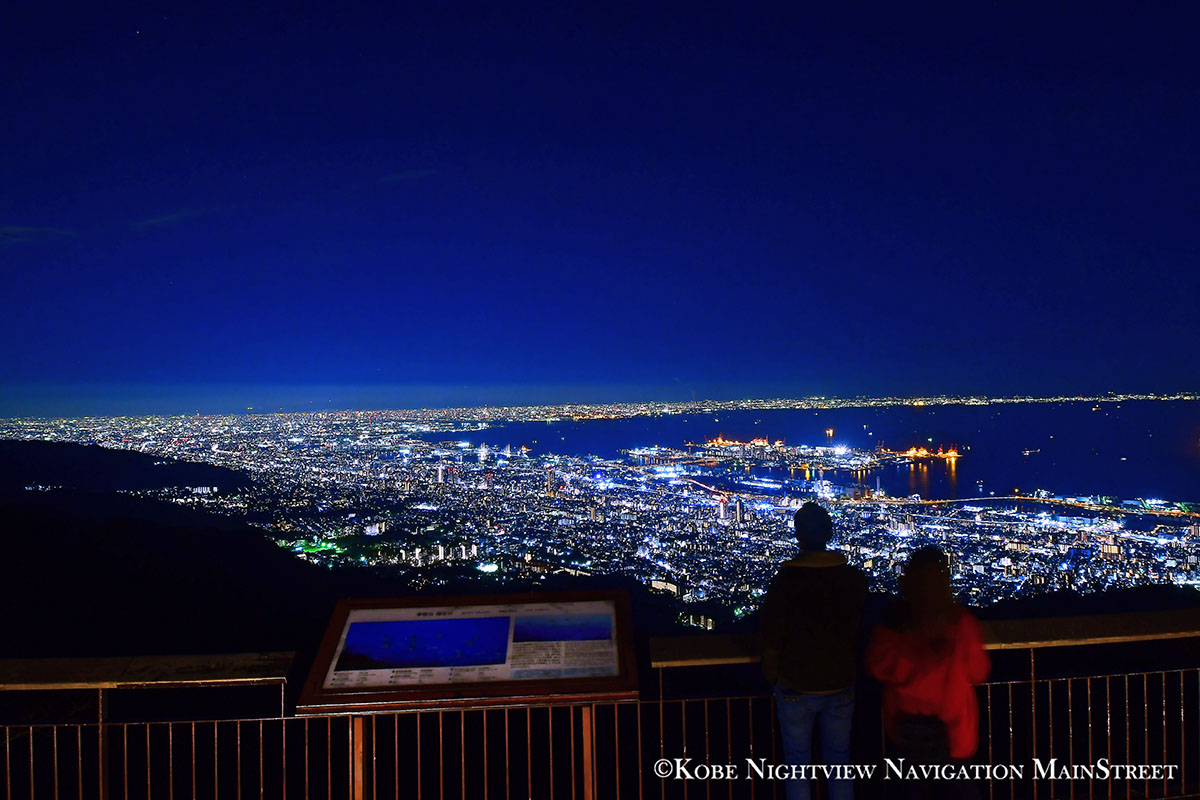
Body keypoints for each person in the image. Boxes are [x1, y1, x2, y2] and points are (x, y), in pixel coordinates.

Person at [760, 501, 868, 800]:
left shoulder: (785, 581)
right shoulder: (853, 579)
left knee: (796, 766)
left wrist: (776, 680)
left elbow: (770, 640)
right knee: (840, 764)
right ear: (829, 532)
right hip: (840, 682)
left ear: (798, 537)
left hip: (795, 684)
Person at [866, 546, 990, 799]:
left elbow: (878, 667)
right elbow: (978, 671)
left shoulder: (895, 624)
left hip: (908, 734)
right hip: (955, 735)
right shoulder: (959, 622)